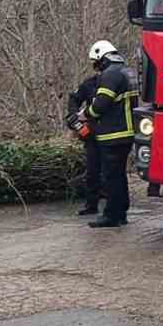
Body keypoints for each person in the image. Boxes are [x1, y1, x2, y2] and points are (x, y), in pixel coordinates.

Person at [66, 39, 138, 228]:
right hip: (128, 132)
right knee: (119, 175)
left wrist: (84, 116)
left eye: (96, 63)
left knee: (111, 177)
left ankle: (111, 216)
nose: (96, 67)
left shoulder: (110, 75)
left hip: (112, 134)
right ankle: (121, 212)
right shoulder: (128, 72)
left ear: (102, 58)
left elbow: (101, 104)